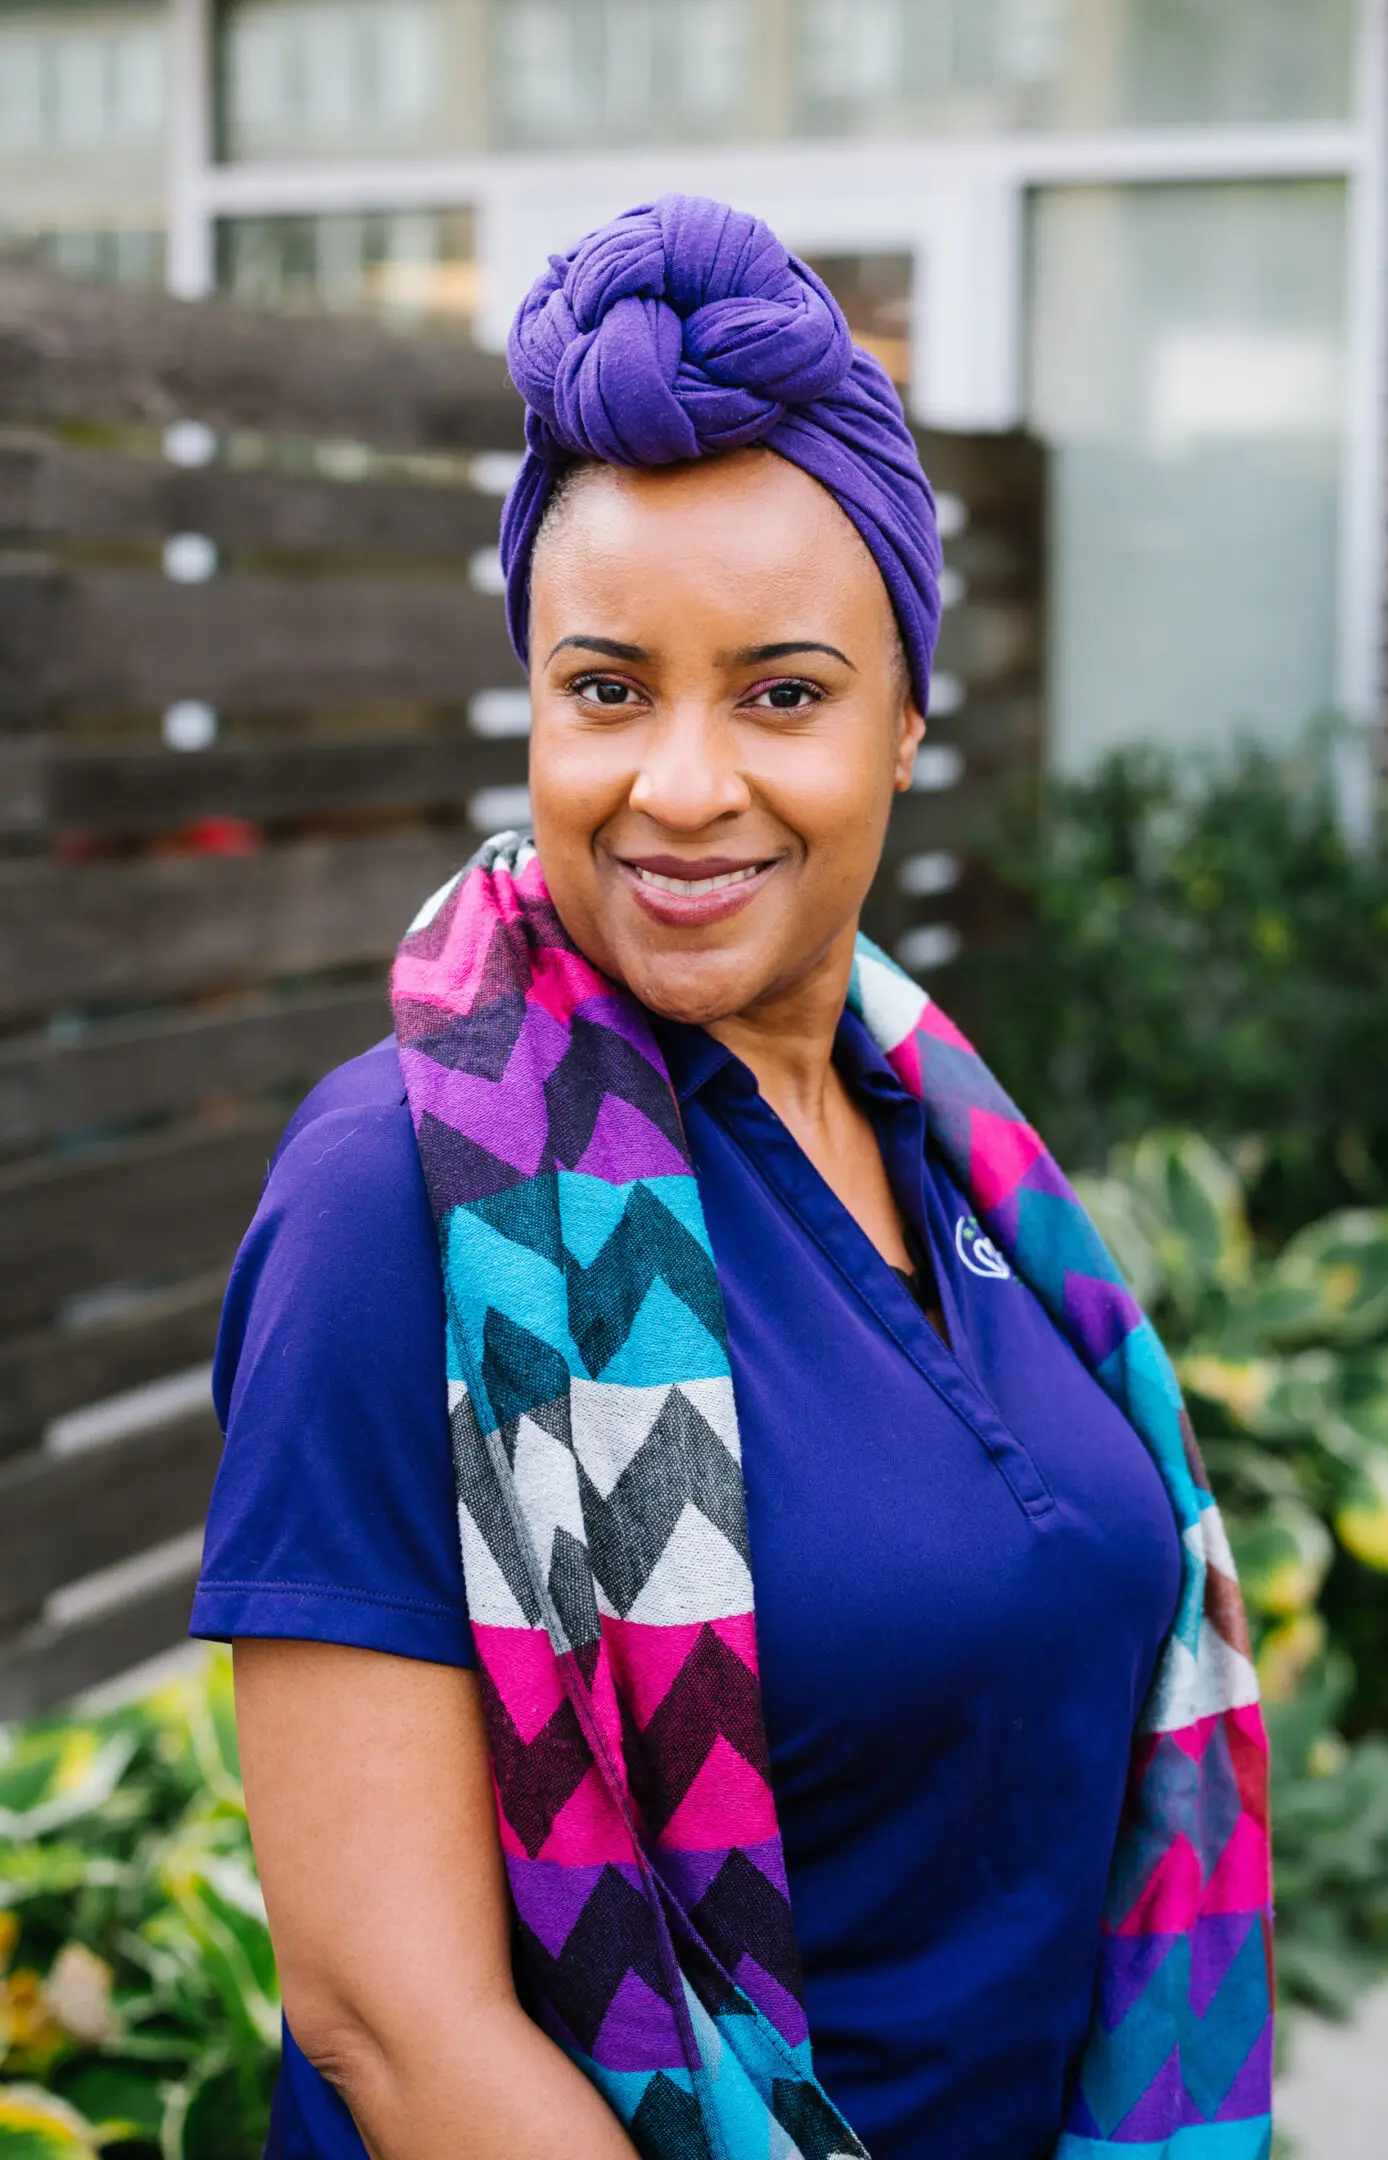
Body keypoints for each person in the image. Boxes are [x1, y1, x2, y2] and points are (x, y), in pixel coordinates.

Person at [193, 196, 1273, 2160]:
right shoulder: (403, 1193)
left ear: (903, 719)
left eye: (780, 693)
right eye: (607, 689)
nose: (681, 787)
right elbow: (391, 2023)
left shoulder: (956, 1147)